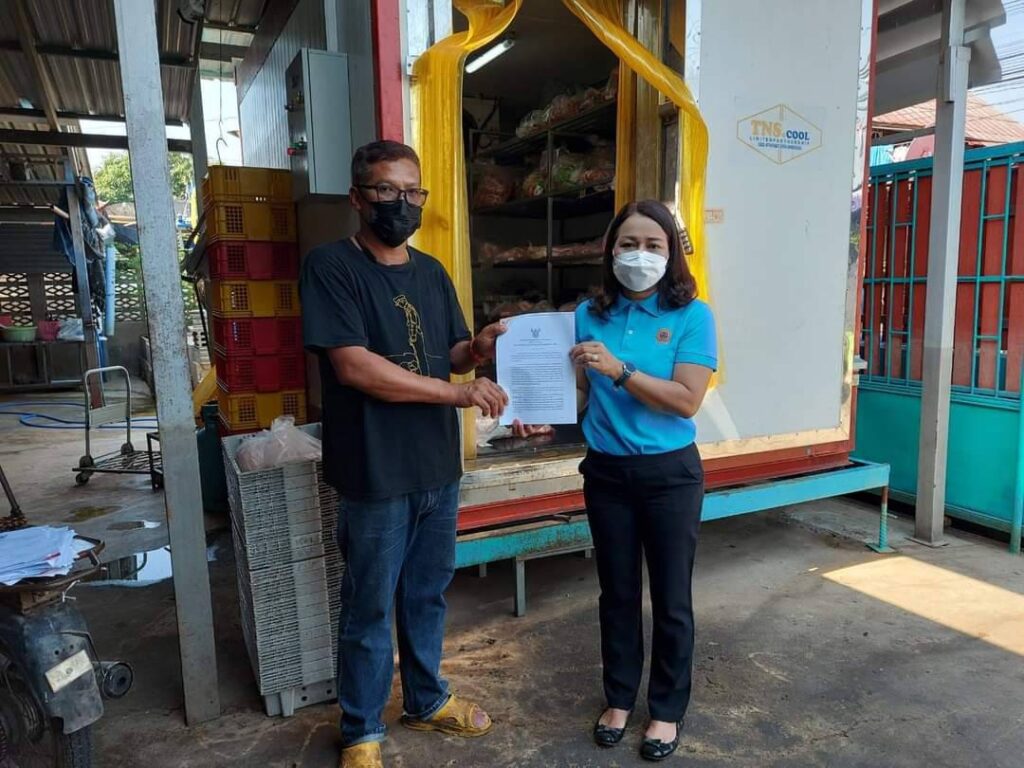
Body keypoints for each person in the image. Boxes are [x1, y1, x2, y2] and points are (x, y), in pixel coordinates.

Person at [300, 140, 508, 768]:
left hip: (437, 465)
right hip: (375, 470)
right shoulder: (331, 267)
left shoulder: (432, 271)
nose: (403, 203)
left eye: (413, 191)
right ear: (357, 197)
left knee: (427, 594)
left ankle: (426, 698)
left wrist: (479, 349)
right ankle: (361, 730)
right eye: (387, 190)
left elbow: (451, 353)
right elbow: (355, 367)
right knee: (368, 605)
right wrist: (458, 392)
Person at [520, 199, 717, 761]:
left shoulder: (692, 315)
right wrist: (546, 409)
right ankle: (619, 698)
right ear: (610, 251)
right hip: (606, 472)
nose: (639, 255)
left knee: (672, 598)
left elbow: (686, 400)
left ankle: (667, 709)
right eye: (628, 244)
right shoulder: (588, 314)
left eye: (653, 245)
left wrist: (622, 370)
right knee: (617, 593)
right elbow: (582, 391)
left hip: (669, 475)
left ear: (671, 254)